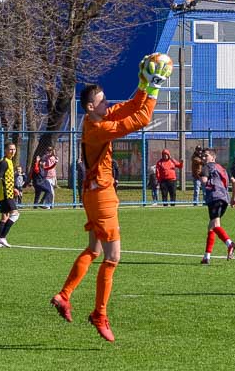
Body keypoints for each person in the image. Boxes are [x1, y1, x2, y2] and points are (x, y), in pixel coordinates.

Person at [50, 53, 171, 343]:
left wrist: (143, 84)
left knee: (93, 250)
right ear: (91, 107)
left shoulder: (97, 118)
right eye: (103, 101)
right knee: (113, 257)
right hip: (102, 194)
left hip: (93, 193)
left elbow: (130, 107)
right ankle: (99, 314)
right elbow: (141, 118)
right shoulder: (99, 129)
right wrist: (154, 87)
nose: (108, 104)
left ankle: (64, 295)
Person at [199, 148, 235, 265]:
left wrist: (202, 178)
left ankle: (229, 244)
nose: (203, 158)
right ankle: (206, 257)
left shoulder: (207, 167)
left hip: (214, 198)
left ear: (213, 157)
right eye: (203, 156)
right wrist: (233, 198)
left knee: (215, 225)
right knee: (211, 227)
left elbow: (204, 179)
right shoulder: (223, 169)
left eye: (206, 156)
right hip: (224, 199)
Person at [0, 143, 21, 248]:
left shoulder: (10, 161)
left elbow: (6, 179)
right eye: (10, 149)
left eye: (14, 149)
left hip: (8, 192)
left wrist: (13, 189)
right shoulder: (4, 162)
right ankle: (2, 237)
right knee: (16, 214)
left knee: (5, 217)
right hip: (5, 194)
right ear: (6, 150)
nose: (12, 151)